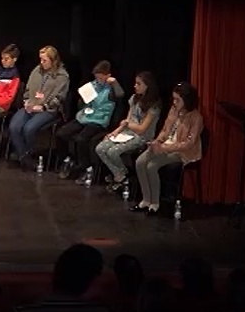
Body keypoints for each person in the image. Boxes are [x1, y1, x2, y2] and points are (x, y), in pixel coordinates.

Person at [130, 81, 203, 216]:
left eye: (177, 99)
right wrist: (157, 142)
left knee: (152, 166)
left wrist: (165, 148)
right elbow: (165, 130)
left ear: (187, 100)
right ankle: (146, 200)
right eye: (173, 99)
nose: (174, 102)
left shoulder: (196, 117)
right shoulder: (173, 111)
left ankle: (155, 204)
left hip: (182, 152)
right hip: (165, 145)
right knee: (140, 162)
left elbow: (189, 143)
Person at [55, 60, 125, 180]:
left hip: (98, 121)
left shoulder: (111, 89)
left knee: (81, 139)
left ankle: (86, 167)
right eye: (96, 77)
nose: (98, 80)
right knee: (61, 134)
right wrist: (82, 99)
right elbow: (82, 104)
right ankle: (67, 160)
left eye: (101, 78)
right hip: (85, 117)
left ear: (108, 76)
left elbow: (120, 95)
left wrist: (114, 83)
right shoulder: (92, 85)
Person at [96, 72, 162, 193]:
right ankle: (120, 174)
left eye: (139, 84)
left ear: (147, 86)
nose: (135, 86)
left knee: (113, 152)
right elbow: (128, 118)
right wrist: (115, 132)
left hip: (142, 137)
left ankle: (120, 177)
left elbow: (142, 128)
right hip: (127, 132)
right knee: (100, 147)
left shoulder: (154, 106)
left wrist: (127, 125)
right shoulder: (134, 99)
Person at [8, 45, 70, 167]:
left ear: (53, 60)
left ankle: (26, 154)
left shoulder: (62, 76)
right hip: (31, 106)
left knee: (29, 128)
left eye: (45, 60)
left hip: (48, 109)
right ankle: (24, 155)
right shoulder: (36, 71)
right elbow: (27, 90)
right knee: (14, 126)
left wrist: (43, 107)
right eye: (40, 59)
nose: (42, 63)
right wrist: (26, 101)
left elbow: (59, 98)